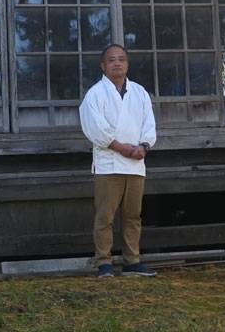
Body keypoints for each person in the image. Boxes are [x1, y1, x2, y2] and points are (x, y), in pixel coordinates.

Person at [79, 44, 158, 278]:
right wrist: (118, 146)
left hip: (135, 162)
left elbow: (149, 124)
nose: (117, 63)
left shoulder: (140, 92)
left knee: (133, 215)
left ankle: (132, 261)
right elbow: (94, 127)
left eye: (121, 59)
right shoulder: (95, 94)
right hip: (109, 163)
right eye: (111, 60)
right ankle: (104, 262)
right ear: (103, 66)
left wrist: (144, 146)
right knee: (105, 216)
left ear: (127, 64)